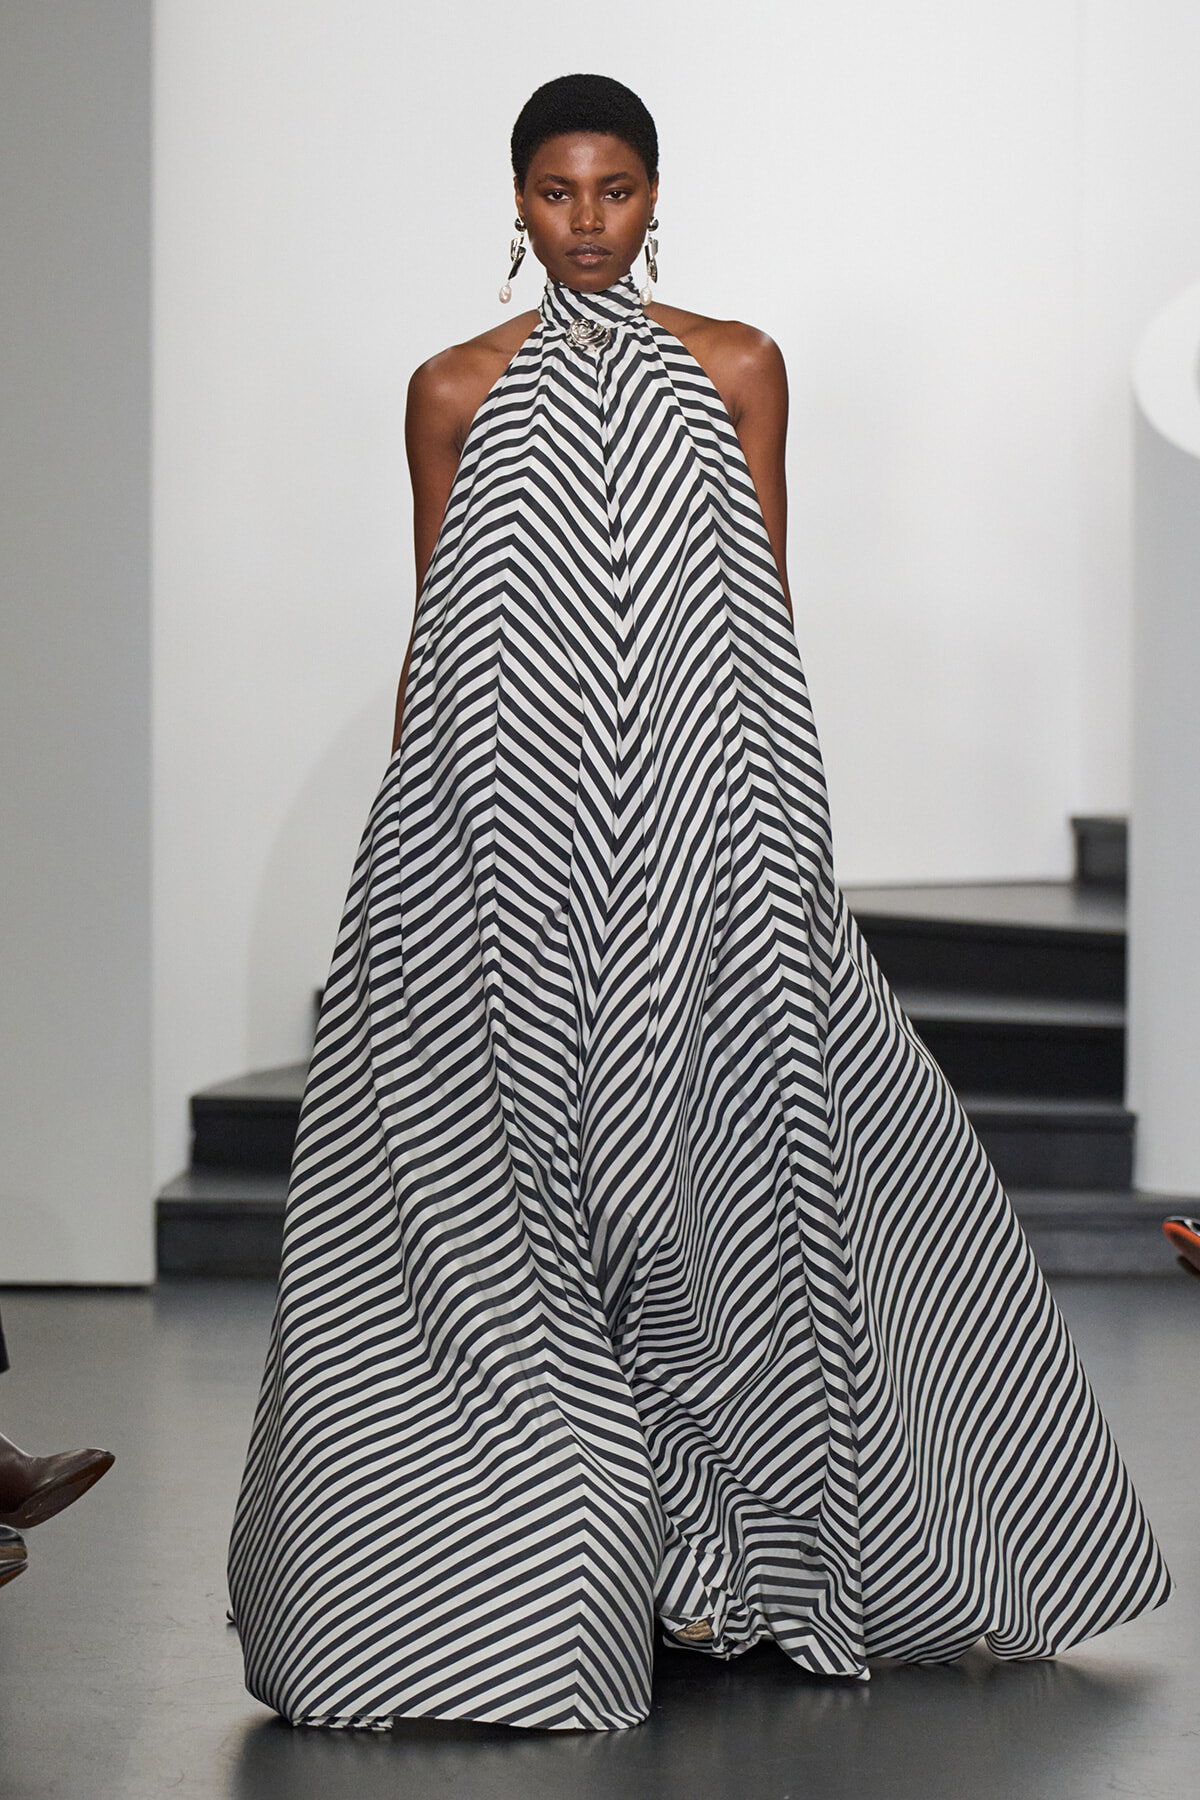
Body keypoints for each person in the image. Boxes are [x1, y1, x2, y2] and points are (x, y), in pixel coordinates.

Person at [229, 74, 1170, 1732]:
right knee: (493, 1204)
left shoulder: (739, 366)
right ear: (510, 205)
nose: (584, 222)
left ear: (657, 196)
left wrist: (786, 841)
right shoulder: (449, 389)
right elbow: (440, 628)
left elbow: (763, 613)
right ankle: (518, 1574)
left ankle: (752, 1542)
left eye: (612, 191)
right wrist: (396, 853)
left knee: (738, 1181)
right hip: (495, 850)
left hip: (697, 832)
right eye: (553, 193)